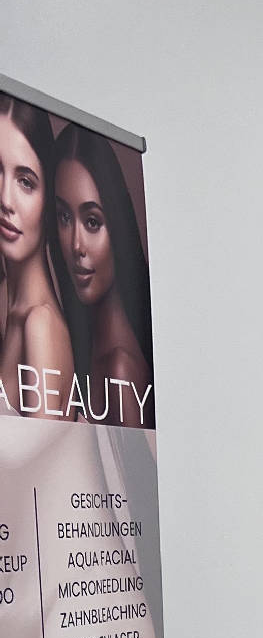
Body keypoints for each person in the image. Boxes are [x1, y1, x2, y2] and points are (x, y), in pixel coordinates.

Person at [53, 125, 155, 428]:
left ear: (117, 225)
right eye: (64, 217)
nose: (76, 245)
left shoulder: (120, 369)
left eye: (92, 222)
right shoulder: (87, 349)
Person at [0, 96, 73, 419]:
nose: (5, 199)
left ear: (48, 200)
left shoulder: (40, 325)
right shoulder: (8, 303)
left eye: (25, 182)